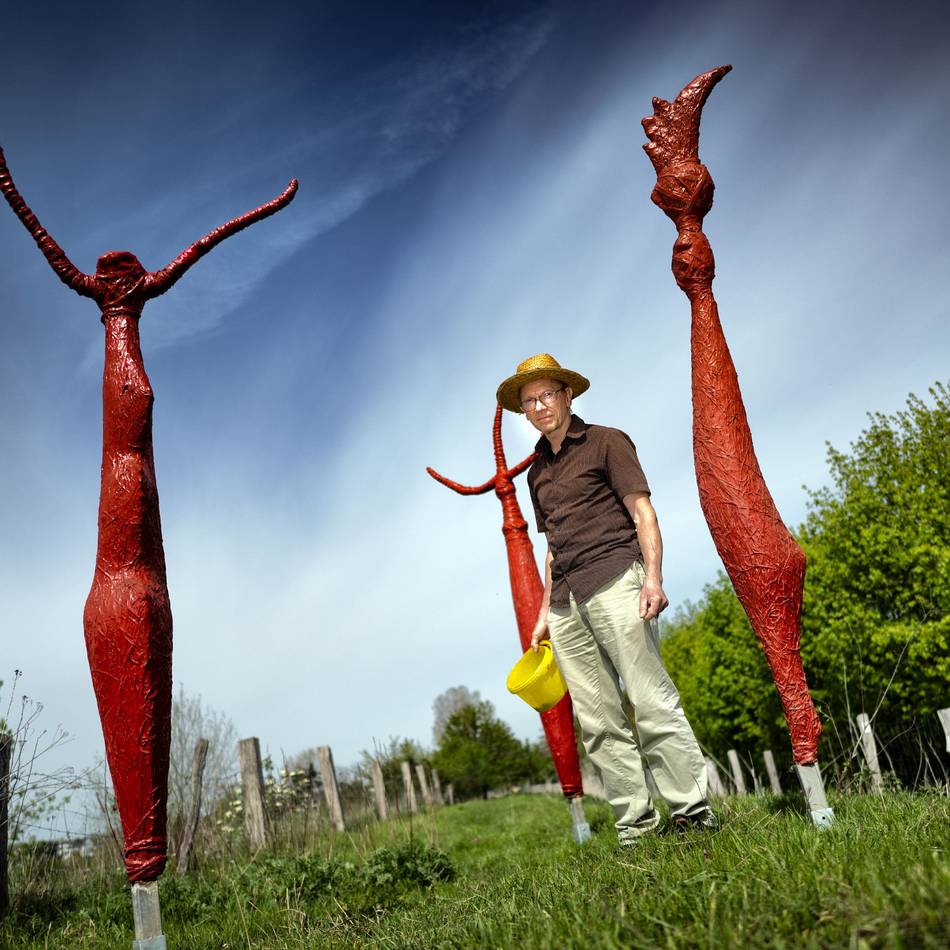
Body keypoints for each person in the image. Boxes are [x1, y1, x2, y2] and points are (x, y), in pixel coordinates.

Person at [497, 353, 716, 843]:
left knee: (649, 697)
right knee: (597, 721)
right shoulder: (536, 475)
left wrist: (654, 579)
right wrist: (542, 616)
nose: (539, 407)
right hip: (566, 602)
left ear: (567, 396)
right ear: (525, 412)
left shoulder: (607, 442)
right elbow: (552, 547)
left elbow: (643, 513)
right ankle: (635, 825)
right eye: (530, 401)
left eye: (547, 395)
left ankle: (692, 812)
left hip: (617, 578)